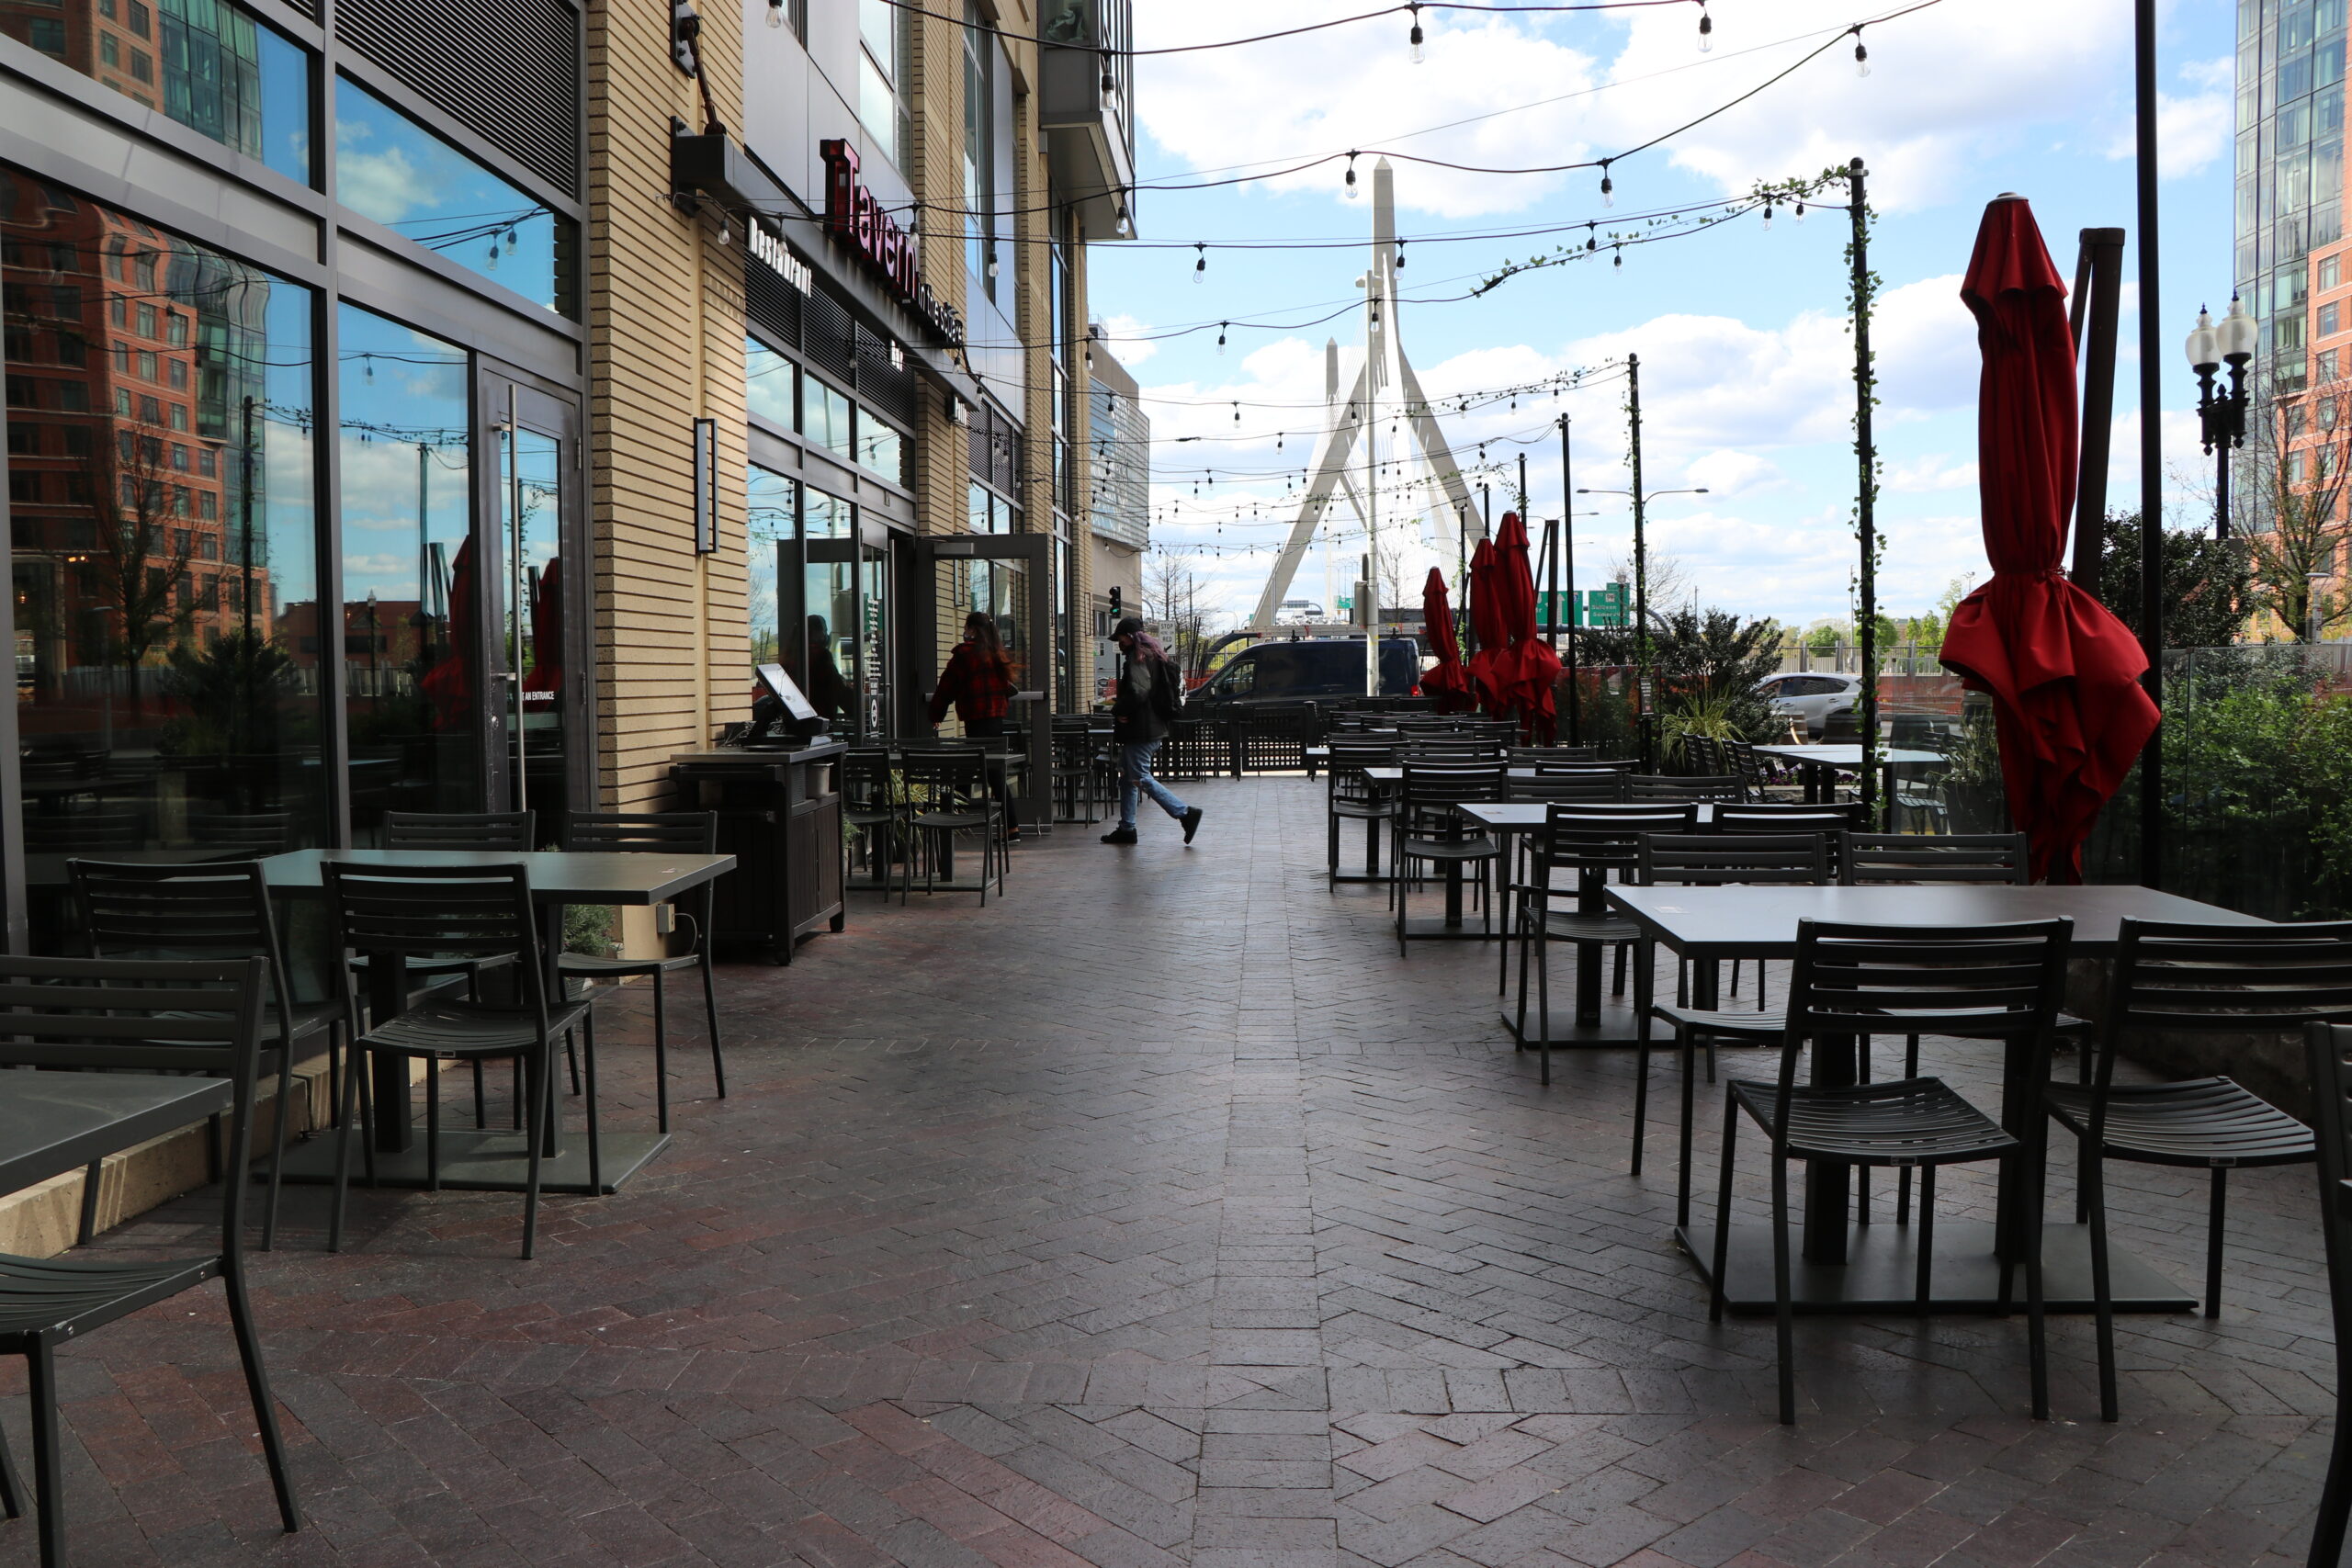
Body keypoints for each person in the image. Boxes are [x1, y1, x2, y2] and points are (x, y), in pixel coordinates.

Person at [1102, 615, 1203, 846]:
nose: (1119, 643)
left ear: (1130, 637)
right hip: (1151, 726)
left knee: (1139, 777)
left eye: (1120, 638)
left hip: (1141, 729)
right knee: (1128, 778)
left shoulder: (1138, 658)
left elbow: (1139, 691)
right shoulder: (1155, 656)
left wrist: (1119, 709)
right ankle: (1127, 828)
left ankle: (1185, 813)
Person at [928, 611, 1019, 838]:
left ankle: (959, 821)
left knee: (971, 769)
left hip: (976, 720)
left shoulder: (964, 655)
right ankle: (1010, 827)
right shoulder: (995, 653)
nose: (964, 631)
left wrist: (936, 714)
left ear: (972, 629)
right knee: (992, 772)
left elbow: (946, 687)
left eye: (967, 627)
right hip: (996, 721)